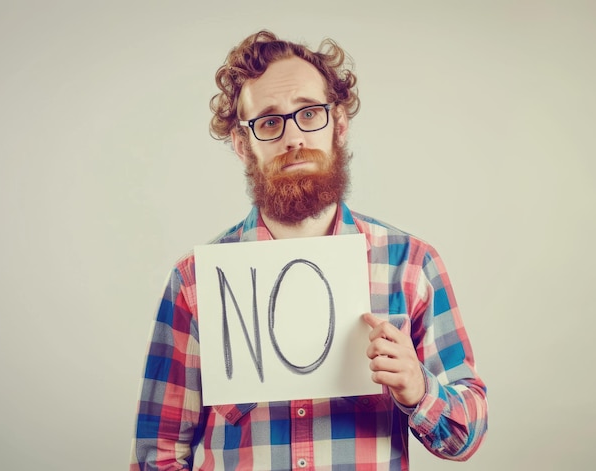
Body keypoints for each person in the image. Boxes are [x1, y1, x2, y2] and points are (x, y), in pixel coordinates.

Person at [130, 30, 488, 470]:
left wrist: (418, 388)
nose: (293, 137)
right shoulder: (195, 283)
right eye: (269, 121)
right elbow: (159, 453)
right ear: (244, 145)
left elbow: (466, 435)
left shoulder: (410, 266)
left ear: (339, 123)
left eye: (309, 113)